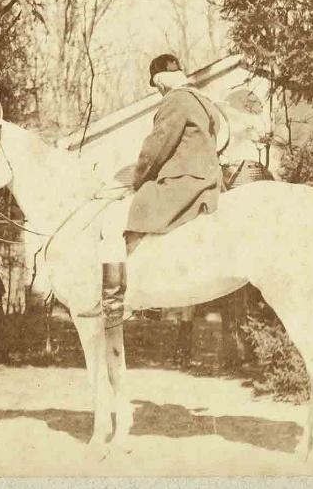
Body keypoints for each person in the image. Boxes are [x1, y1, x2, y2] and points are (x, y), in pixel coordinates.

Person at [82, 54, 224, 324]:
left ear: (160, 79)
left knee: (113, 220)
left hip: (182, 182)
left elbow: (156, 148)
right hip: (207, 181)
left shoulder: (175, 100)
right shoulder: (204, 101)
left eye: (156, 84)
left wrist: (134, 181)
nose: (158, 90)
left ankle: (112, 305)